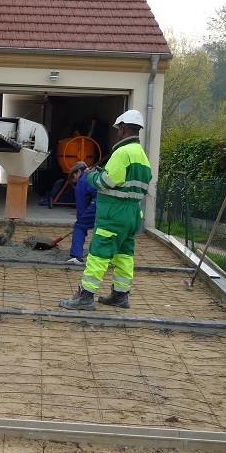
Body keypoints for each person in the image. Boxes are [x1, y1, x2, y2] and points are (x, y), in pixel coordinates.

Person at [59, 109, 151, 310]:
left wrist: (91, 176)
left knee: (99, 253)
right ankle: (120, 295)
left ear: (123, 129)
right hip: (132, 213)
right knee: (124, 256)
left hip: (113, 213)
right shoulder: (142, 155)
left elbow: (107, 181)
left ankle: (85, 297)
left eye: (119, 129)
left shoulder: (122, 152)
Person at [66, 161, 97, 264]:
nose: (75, 182)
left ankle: (76, 256)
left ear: (78, 171)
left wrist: (80, 223)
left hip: (99, 203)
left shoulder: (82, 181)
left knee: (79, 227)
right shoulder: (95, 174)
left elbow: (81, 207)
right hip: (113, 205)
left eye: (74, 178)